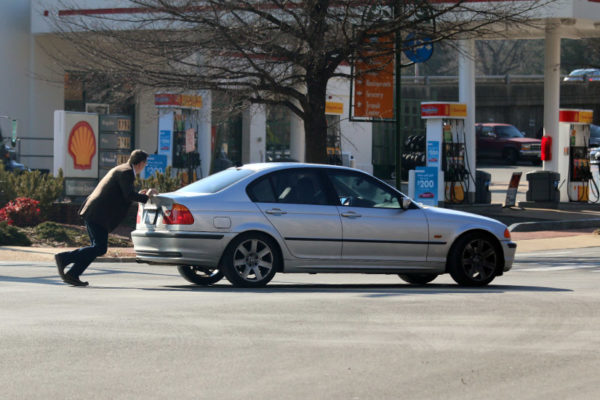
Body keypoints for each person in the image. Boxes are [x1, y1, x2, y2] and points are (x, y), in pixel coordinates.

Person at [54, 149, 158, 286]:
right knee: (100, 248)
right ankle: (64, 258)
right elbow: (128, 195)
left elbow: (124, 193)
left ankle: (73, 274)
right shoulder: (127, 172)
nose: (145, 166)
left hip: (95, 212)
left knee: (96, 247)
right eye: (145, 163)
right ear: (141, 163)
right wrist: (147, 196)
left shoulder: (122, 169)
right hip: (98, 214)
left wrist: (138, 194)